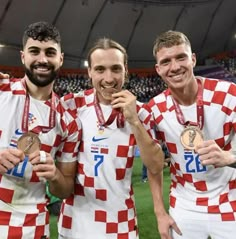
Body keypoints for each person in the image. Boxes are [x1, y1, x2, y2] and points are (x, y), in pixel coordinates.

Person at [58, 38, 164, 239]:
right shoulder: (71, 105)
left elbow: (156, 165)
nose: (108, 78)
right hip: (74, 221)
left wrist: (133, 120)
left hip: (120, 222)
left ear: (125, 70)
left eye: (115, 69)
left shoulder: (141, 112)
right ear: (89, 72)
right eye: (100, 70)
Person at [147, 30, 236, 239]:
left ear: (193, 59)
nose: (175, 67)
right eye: (166, 61)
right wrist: (160, 212)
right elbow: (153, 165)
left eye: (181, 57)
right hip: (185, 206)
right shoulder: (155, 109)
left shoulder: (228, 94)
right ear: (158, 69)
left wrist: (230, 157)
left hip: (229, 199)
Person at [0, 21, 81, 239]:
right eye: (34, 51)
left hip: (33, 228)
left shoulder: (68, 121)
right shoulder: (1, 93)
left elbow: (64, 190)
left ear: (60, 59)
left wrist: (54, 175)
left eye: (50, 52)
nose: (42, 60)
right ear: (23, 56)